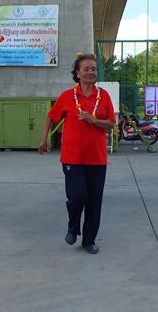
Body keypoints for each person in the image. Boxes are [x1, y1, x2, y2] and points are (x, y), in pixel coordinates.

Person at [38, 53, 116, 254]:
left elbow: (111, 125)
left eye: (93, 69)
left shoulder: (104, 96)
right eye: (86, 69)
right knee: (78, 195)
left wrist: (94, 121)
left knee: (94, 200)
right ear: (78, 73)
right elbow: (51, 117)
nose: (91, 72)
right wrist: (44, 139)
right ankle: (73, 227)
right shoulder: (67, 96)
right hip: (72, 157)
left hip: (97, 158)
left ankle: (88, 240)